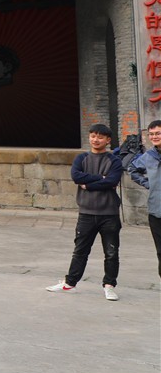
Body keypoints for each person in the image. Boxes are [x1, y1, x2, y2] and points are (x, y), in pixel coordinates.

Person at [46, 123, 124, 299]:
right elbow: (76, 176)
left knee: (111, 252)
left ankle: (109, 285)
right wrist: (100, 178)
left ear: (108, 140)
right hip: (86, 213)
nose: (96, 140)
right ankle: (70, 283)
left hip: (109, 214)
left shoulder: (114, 161)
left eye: (100, 137)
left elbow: (112, 181)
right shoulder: (81, 158)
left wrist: (88, 185)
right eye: (93, 136)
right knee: (80, 250)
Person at [129, 119, 161, 278]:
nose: (154, 137)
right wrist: (149, 184)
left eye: (158, 133)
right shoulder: (149, 156)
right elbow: (132, 169)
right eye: (151, 134)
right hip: (156, 212)